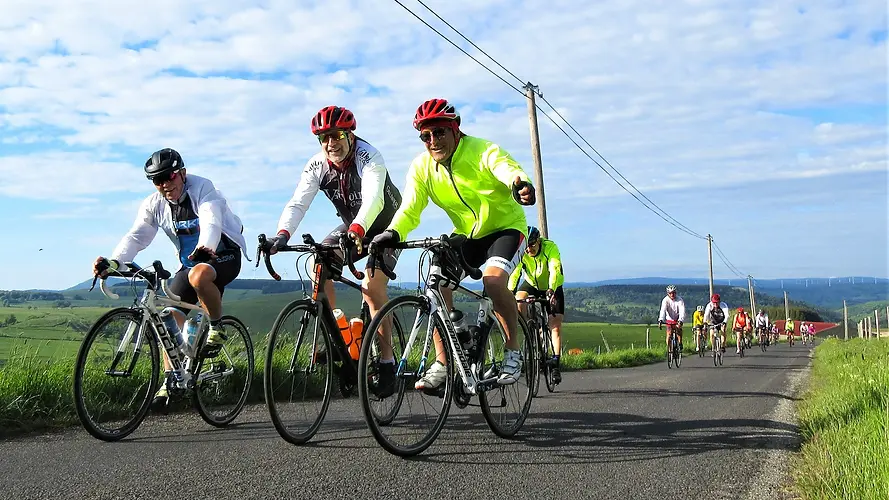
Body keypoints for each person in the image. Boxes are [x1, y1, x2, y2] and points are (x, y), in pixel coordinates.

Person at [371, 98, 537, 389]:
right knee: (435, 284)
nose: (433, 141)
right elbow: (410, 208)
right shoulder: (422, 167)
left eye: (439, 132)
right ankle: (444, 362)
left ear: (455, 129)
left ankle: (513, 352)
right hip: (466, 233)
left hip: (506, 229)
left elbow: (505, 168)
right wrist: (394, 233)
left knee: (494, 282)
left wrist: (519, 184)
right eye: (425, 136)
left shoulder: (483, 151)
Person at [92, 148, 248, 407]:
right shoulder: (154, 205)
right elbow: (137, 236)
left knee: (199, 277)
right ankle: (171, 380)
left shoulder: (203, 189)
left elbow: (211, 220)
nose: (165, 184)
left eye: (170, 177)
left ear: (182, 173)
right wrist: (116, 262)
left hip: (223, 255)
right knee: (169, 320)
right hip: (190, 263)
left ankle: (217, 327)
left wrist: (208, 246)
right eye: (157, 180)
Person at [270, 105, 403, 395]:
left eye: (336, 135)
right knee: (321, 263)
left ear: (350, 134)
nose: (331, 143)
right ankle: (338, 338)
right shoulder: (317, 165)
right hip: (352, 226)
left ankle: (386, 362)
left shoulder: (369, 157)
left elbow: (373, 200)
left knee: (371, 285)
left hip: (386, 227)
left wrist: (358, 228)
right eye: (324, 138)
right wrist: (282, 234)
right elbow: (298, 202)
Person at [509, 226, 565, 384]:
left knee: (555, 325)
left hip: (551, 286)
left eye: (532, 245)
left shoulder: (550, 247)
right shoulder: (523, 251)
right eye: (526, 246)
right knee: (519, 298)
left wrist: (551, 289)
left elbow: (554, 268)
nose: (528, 249)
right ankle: (528, 328)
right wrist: (509, 291)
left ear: (539, 242)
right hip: (531, 284)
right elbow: (515, 272)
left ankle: (555, 364)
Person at [657, 285, 686, 352]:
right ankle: (670, 350)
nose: (672, 294)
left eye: (673, 293)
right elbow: (663, 310)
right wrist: (660, 320)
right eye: (670, 293)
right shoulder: (665, 300)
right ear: (668, 293)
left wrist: (681, 320)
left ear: (676, 293)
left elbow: (682, 310)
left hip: (677, 318)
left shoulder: (679, 300)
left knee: (678, 329)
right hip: (669, 319)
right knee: (669, 334)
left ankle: (680, 342)